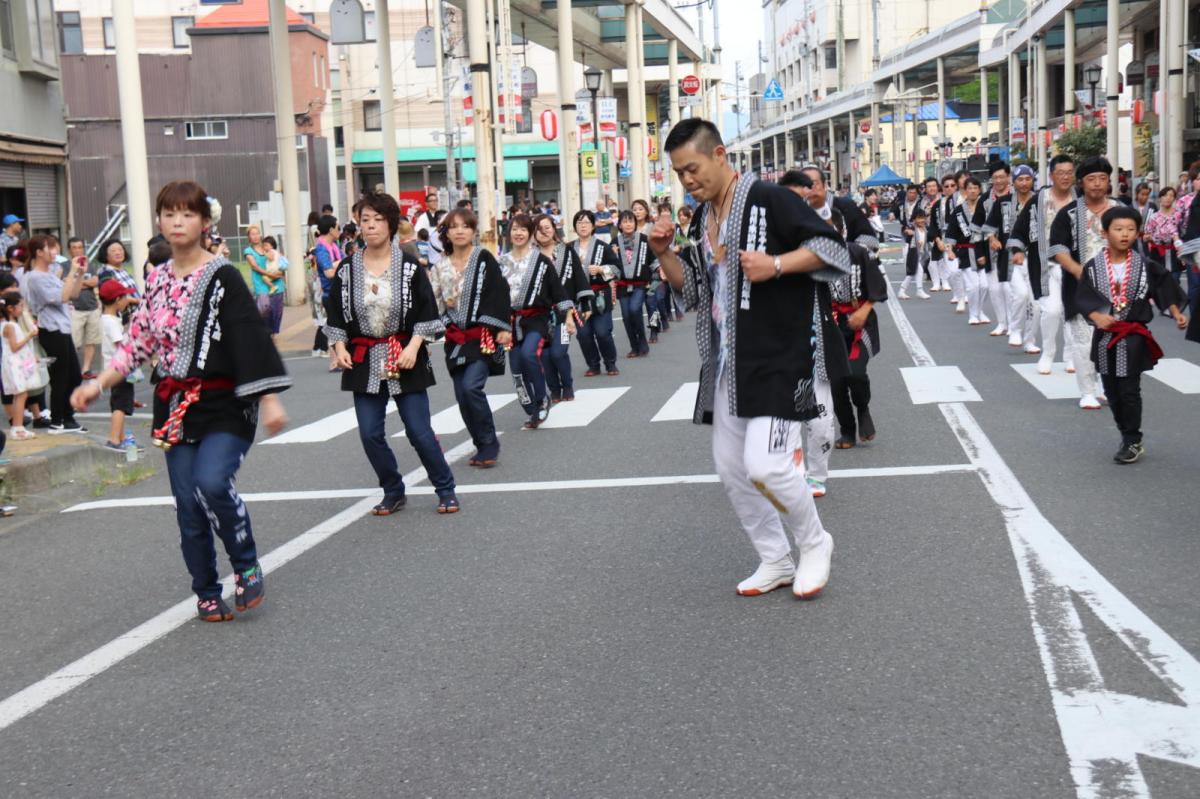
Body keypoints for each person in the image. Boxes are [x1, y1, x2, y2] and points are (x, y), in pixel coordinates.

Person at [71, 180, 290, 623]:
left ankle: (245, 562)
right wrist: (98, 384)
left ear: (204, 222)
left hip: (225, 402)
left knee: (212, 482)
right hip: (176, 405)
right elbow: (138, 342)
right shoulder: (155, 280)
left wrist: (268, 399)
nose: (177, 221)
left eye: (187, 213)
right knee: (188, 505)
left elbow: (249, 337)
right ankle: (206, 589)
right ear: (159, 221)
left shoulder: (224, 276)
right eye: (169, 213)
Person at [649, 118, 849, 599]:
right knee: (733, 470)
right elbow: (692, 291)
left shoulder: (769, 198)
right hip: (728, 363)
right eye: (679, 173)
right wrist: (663, 253)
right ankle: (774, 558)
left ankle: (814, 542)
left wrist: (777, 264)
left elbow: (832, 249)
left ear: (719, 155)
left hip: (780, 356)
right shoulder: (701, 219)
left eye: (692, 168)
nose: (687, 180)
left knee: (768, 466)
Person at [324, 192, 459, 515]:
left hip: (405, 355)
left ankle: (445, 488)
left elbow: (427, 311)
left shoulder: (410, 266)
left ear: (391, 224)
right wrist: (339, 346)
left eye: (378, 219)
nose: (370, 226)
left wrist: (414, 346)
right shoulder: (347, 269)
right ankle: (393, 490)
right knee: (370, 433)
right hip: (364, 358)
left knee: (419, 431)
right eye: (365, 220)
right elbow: (335, 312)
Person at [1075, 206, 1187, 464]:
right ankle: (1124, 431)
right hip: (1105, 337)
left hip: (1133, 335)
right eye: (1118, 229)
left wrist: (1175, 311)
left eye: (1130, 229)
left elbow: (1163, 286)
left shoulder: (1145, 265)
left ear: (1137, 233)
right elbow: (1082, 297)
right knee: (1111, 391)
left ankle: (1132, 439)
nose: (1124, 234)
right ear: (1105, 233)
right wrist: (1096, 316)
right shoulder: (1093, 267)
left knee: (1129, 389)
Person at [431, 208, 512, 468]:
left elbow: (500, 292)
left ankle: (490, 443)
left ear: (473, 231)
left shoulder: (484, 258)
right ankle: (480, 444)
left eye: (465, 226)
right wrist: (435, 331)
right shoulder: (439, 267)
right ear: (446, 233)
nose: (459, 231)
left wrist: (502, 327)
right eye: (453, 226)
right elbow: (434, 303)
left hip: (482, 335)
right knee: (461, 396)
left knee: (471, 387)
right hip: (455, 338)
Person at [1049, 156, 1119, 410]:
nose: (1097, 184)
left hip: (1117, 287)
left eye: (1102, 178)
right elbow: (1057, 248)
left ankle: (1108, 387)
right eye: (1091, 179)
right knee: (1084, 341)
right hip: (1080, 287)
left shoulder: (1120, 210)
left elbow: (1135, 243)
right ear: (1082, 183)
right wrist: (1078, 270)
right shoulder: (1068, 214)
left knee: (1113, 340)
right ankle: (1087, 391)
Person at [499, 214, 574, 429]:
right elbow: (493, 296)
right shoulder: (501, 262)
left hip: (537, 319)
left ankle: (542, 398)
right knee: (517, 371)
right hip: (511, 322)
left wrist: (568, 317)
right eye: (515, 229)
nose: (519, 233)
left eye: (523, 229)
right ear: (509, 233)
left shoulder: (541, 261)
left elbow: (558, 292)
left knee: (529, 353)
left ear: (531, 233)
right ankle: (532, 410)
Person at [1010, 154, 1078, 374]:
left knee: (1072, 312)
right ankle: (1048, 352)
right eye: (1060, 173)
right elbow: (1019, 229)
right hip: (1044, 264)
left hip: (1074, 265)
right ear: (1051, 175)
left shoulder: (1080, 200)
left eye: (1069, 173)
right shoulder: (1038, 200)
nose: (1065, 177)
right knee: (1052, 310)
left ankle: (1070, 355)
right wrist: (1018, 250)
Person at [826, 210, 886, 450]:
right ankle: (847, 430)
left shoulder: (859, 253)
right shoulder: (813, 260)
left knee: (855, 373)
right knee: (836, 381)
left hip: (861, 319)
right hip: (831, 322)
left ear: (842, 231)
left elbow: (878, 287)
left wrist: (863, 311)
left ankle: (862, 408)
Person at [24, 234, 88, 433]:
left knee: (74, 376)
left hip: (62, 328)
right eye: (50, 248)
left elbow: (73, 294)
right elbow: (62, 297)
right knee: (61, 376)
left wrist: (80, 274)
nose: (55, 252)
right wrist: (72, 272)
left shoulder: (51, 273)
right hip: (51, 330)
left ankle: (67, 418)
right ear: (39, 252)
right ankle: (58, 420)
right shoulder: (34, 277)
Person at [533, 212, 591, 404]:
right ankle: (554, 389)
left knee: (558, 352)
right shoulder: (531, 256)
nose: (544, 232)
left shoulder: (567, 251)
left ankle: (567, 385)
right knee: (544, 355)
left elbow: (580, 277)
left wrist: (585, 304)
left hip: (565, 313)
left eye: (547, 228)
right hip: (539, 315)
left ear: (554, 229)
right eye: (539, 229)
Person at [996, 164, 1041, 353]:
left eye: (1027, 179)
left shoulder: (1041, 201)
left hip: (1036, 258)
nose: (1024, 183)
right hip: (1012, 257)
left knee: (1035, 304)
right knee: (1021, 294)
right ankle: (1014, 329)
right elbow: (990, 225)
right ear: (1013, 182)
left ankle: (1030, 340)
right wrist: (992, 238)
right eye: (1020, 179)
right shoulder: (1004, 202)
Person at [571, 210, 621, 376]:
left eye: (586, 222)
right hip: (579, 299)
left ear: (593, 226)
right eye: (579, 223)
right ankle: (593, 365)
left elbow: (617, 270)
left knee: (602, 332)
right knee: (583, 334)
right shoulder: (568, 248)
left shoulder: (603, 247)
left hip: (600, 296)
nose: (583, 226)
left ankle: (610, 363)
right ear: (575, 227)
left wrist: (601, 269)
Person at [97, 280, 140, 452]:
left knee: (118, 403)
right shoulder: (111, 322)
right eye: (125, 297)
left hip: (112, 368)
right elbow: (120, 345)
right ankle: (114, 439)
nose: (127, 300)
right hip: (119, 369)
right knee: (121, 405)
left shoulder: (107, 318)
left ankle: (121, 438)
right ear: (117, 300)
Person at [943, 177, 988, 321]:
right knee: (973, 286)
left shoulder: (986, 208)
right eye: (970, 188)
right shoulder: (958, 211)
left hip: (984, 251)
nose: (973, 191)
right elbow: (951, 232)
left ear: (979, 190)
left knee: (984, 286)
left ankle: (980, 311)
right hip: (965, 251)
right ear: (965, 190)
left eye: (975, 188)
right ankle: (973, 314)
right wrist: (950, 250)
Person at [613, 210, 656, 358]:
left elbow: (653, 259)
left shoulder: (644, 240)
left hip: (640, 284)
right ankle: (634, 346)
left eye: (631, 221)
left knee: (634, 309)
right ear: (619, 225)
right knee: (626, 316)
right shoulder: (614, 243)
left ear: (635, 223)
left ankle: (644, 339)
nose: (628, 224)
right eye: (624, 221)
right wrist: (613, 254)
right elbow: (609, 265)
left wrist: (658, 273)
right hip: (622, 285)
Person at [0, 292, 39, 440]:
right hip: (14, 364)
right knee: (21, 395)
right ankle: (17, 427)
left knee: (21, 395)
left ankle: (18, 427)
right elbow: (14, 347)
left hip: (14, 362)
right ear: (10, 308)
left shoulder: (7, 324)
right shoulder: (10, 326)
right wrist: (29, 335)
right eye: (20, 306)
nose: (22, 309)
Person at [980, 161, 1013, 337]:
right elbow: (977, 227)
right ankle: (1002, 323)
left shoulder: (1017, 196)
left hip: (1012, 250)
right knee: (994, 289)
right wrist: (980, 251)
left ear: (1008, 177)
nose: (999, 181)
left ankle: (1014, 324)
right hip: (990, 250)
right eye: (995, 178)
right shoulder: (985, 200)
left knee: (1009, 288)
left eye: (1002, 177)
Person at [64, 237, 103, 380]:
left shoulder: (90, 264)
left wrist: (78, 282)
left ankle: (86, 369)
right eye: (74, 247)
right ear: (69, 250)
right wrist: (86, 283)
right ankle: (72, 369)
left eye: (80, 247)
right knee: (74, 342)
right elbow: (66, 284)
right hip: (74, 308)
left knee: (91, 341)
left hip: (92, 307)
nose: (77, 250)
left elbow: (95, 281)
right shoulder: (65, 266)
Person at [244, 225, 286, 336]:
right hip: (261, 283)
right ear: (249, 237)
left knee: (276, 311)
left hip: (277, 283)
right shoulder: (248, 251)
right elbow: (255, 267)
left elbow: (279, 260)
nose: (255, 236)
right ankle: (262, 331)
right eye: (252, 234)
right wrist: (270, 274)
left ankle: (271, 334)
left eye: (257, 233)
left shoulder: (267, 247)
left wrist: (281, 273)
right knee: (264, 307)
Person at [311, 214, 341, 357]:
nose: (339, 231)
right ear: (331, 230)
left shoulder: (334, 246)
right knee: (335, 328)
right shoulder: (322, 249)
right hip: (329, 293)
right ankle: (334, 359)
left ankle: (336, 358)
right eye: (338, 228)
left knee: (336, 327)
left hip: (338, 292)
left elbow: (344, 261)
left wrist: (337, 264)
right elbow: (328, 273)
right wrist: (339, 265)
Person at [930, 174, 962, 303]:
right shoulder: (938, 205)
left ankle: (964, 294)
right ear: (942, 189)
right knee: (952, 270)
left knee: (964, 270)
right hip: (946, 240)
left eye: (952, 185)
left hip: (963, 240)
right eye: (946, 186)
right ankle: (957, 294)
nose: (949, 188)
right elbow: (933, 225)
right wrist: (938, 240)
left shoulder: (963, 202)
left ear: (957, 186)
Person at [899, 208, 932, 299]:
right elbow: (905, 230)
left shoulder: (925, 228)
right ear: (914, 219)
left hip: (919, 253)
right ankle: (919, 290)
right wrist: (909, 232)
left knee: (912, 273)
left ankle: (902, 291)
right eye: (919, 218)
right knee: (918, 270)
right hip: (911, 252)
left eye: (923, 218)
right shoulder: (912, 227)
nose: (921, 220)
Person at [413, 192, 444, 265]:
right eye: (431, 201)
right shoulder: (423, 217)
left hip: (443, 248)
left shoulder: (442, 214)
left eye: (436, 200)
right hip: (431, 250)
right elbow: (417, 232)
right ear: (426, 203)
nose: (434, 202)